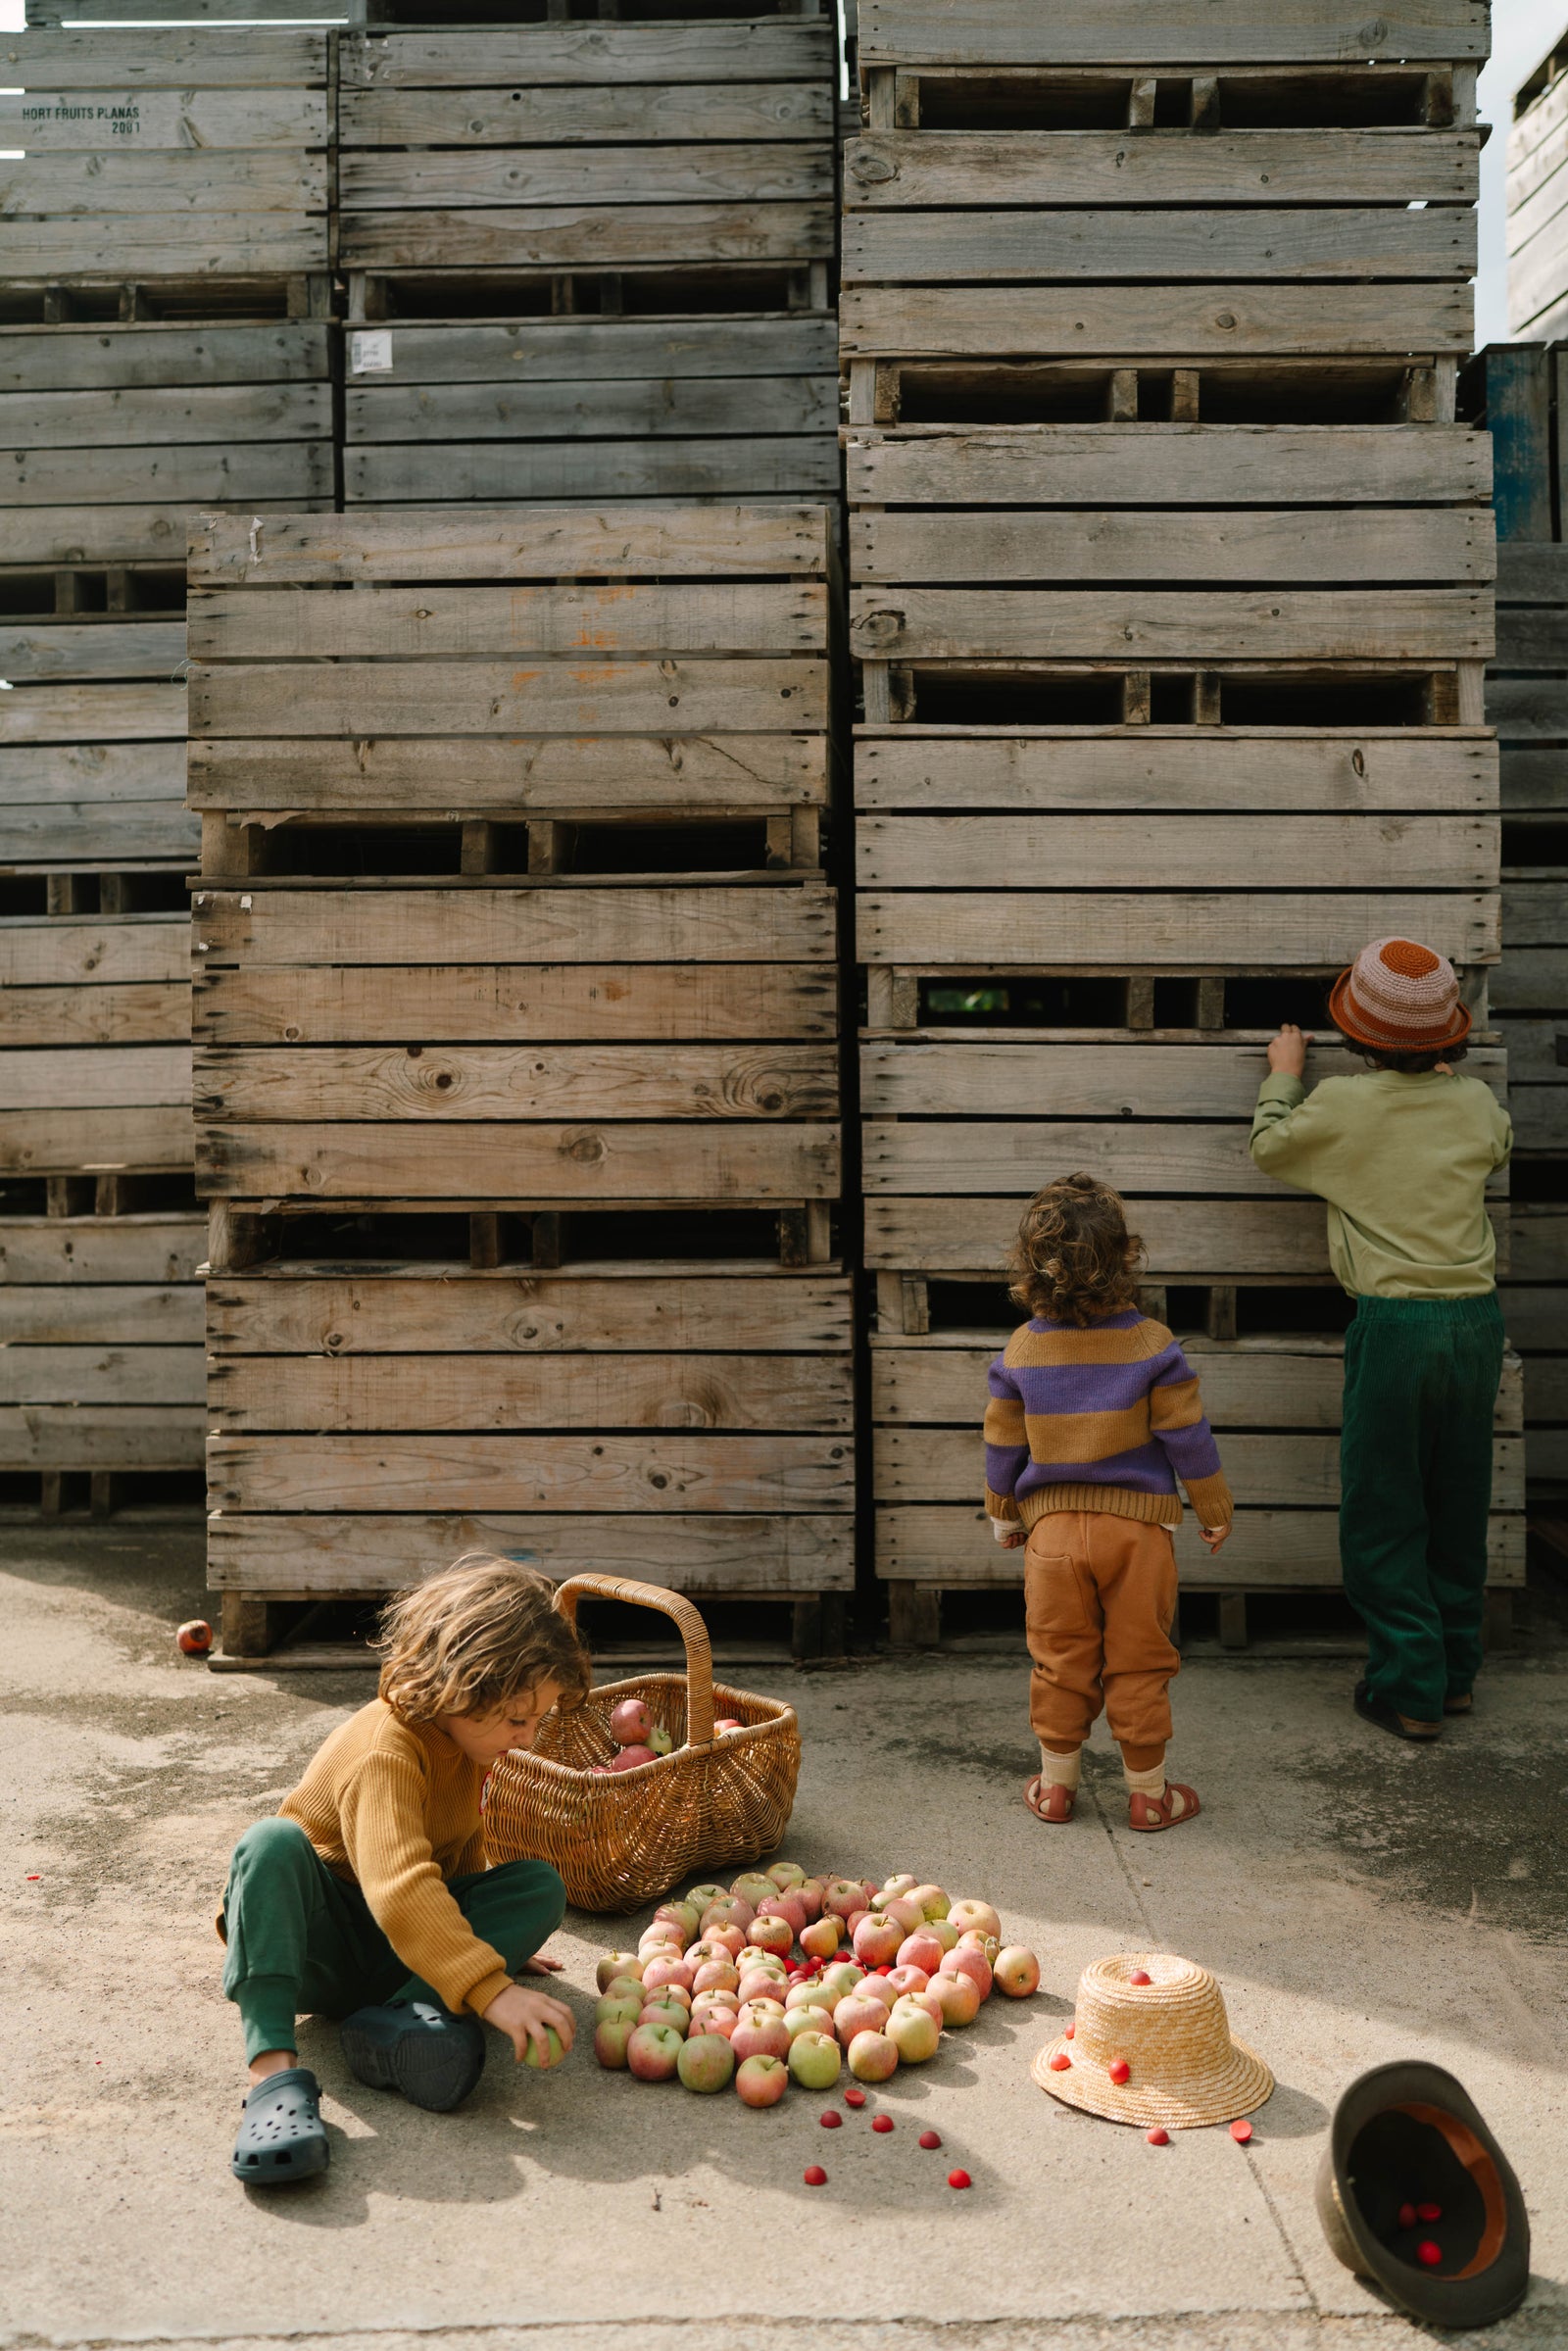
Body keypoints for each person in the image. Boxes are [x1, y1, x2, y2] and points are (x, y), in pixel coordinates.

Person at [220, 1551, 590, 2186]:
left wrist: (484, 1943)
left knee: (537, 1885)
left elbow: (458, 1855)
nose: (528, 1738)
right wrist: (488, 1986)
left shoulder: (467, 1743)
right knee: (270, 1843)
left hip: (399, 1952)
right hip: (316, 1945)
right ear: (461, 1686)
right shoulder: (384, 1751)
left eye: (537, 1720)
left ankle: (396, 2021)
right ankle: (272, 2077)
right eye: (518, 1719)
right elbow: (400, 1886)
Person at [1250, 937, 1511, 1742]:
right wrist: (1445, 1088)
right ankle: (1454, 1675)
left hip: (1396, 1326)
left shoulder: (1342, 1104)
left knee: (1384, 1508)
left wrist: (1284, 1075)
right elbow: (1497, 1142)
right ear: (1447, 1037)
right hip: (1476, 1322)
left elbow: (1269, 1148)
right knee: (1457, 1500)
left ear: (1355, 1032)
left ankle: (1408, 1687)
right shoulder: (1475, 1102)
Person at [984, 1172, 1233, 1833]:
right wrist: (1213, 1508)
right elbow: (1188, 1435)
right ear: (1126, 1256)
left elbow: (1004, 1440)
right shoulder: (1152, 1344)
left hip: (1053, 1537)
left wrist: (1003, 1512)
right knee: (1140, 1658)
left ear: (1030, 1267)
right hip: (1137, 1535)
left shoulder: (1024, 1347)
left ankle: (1055, 1788)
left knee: (1059, 1659)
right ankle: (1149, 1795)